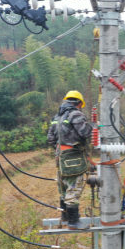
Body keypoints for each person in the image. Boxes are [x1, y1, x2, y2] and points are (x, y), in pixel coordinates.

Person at [47, 90, 92, 229]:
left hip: (60, 157)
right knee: (73, 188)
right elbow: (85, 132)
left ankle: (65, 216)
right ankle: (73, 222)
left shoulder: (57, 117)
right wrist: (94, 127)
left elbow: (50, 139)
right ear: (78, 103)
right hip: (73, 158)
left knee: (64, 188)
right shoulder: (76, 114)